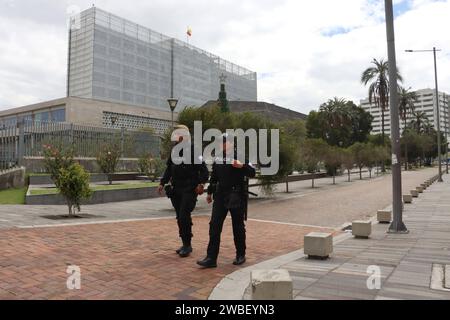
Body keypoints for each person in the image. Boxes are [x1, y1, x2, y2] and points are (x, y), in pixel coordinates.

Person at [197, 135, 256, 268]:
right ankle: (211, 258)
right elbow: (214, 177)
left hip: (236, 196)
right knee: (214, 225)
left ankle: (240, 254)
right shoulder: (218, 158)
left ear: (229, 143)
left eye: (222, 142)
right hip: (220, 196)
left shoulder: (240, 155)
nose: (220, 145)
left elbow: (253, 172)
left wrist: (242, 166)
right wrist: (210, 192)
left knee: (238, 226)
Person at [158, 125, 209, 257]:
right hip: (176, 189)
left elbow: (204, 170)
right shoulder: (174, 149)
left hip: (189, 188)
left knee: (183, 215)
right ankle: (184, 242)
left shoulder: (194, 150)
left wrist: (202, 184)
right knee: (179, 217)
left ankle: (188, 245)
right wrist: (162, 183)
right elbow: (169, 169)